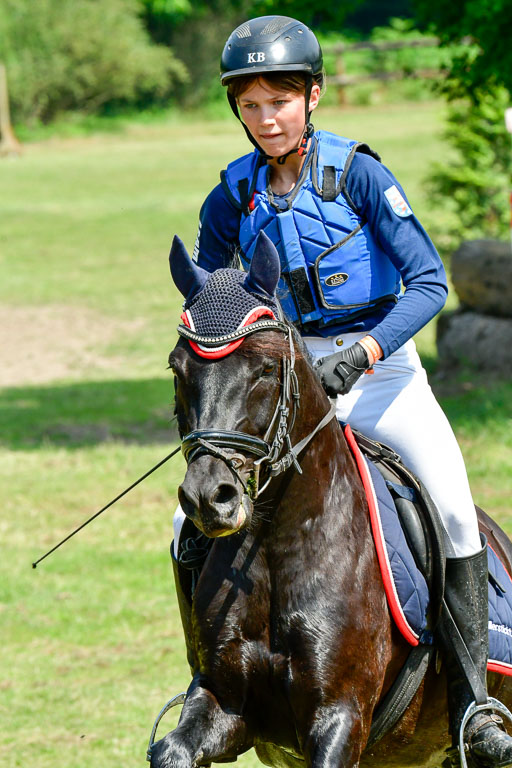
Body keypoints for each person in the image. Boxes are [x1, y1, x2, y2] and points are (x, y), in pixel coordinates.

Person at [173, 15, 512, 767]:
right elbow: (216, 299)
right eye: (251, 106)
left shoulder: (358, 173)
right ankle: (213, 675)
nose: (266, 119)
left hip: (384, 373)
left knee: (454, 513)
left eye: (280, 102)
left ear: (313, 96)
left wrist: (360, 353)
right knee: (186, 518)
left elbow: (429, 282)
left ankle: (473, 708)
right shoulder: (231, 194)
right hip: (286, 383)